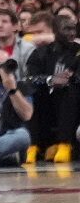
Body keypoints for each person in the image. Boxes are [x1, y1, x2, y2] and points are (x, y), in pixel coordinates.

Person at [24, 17, 80, 164]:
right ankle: (34, 146)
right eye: (66, 29)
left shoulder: (78, 52)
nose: (71, 33)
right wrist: (50, 79)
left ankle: (64, 145)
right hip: (47, 102)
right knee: (32, 94)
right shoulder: (41, 53)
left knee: (69, 91)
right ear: (55, 31)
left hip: (73, 103)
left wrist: (71, 79)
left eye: (73, 29)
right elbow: (30, 78)